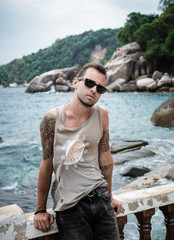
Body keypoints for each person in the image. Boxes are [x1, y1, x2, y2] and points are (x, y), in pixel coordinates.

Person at [34, 63, 122, 240]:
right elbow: (46, 163)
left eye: (100, 88)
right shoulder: (52, 119)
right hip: (69, 206)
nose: (94, 90)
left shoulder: (102, 114)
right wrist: (40, 209)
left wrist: (110, 197)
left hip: (101, 197)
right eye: (89, 83)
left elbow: (105, 158)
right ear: (75, 82)